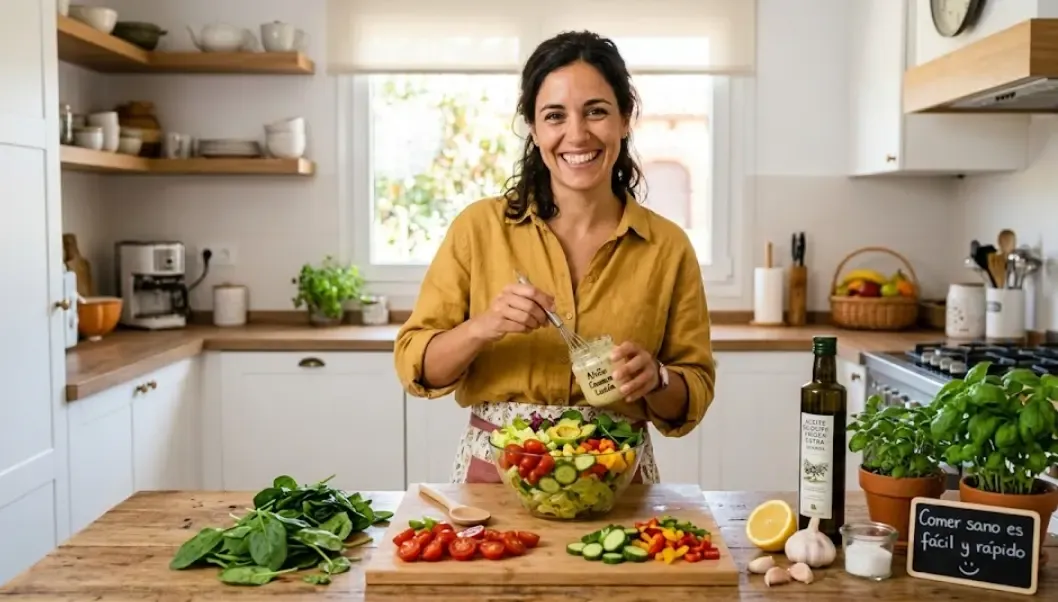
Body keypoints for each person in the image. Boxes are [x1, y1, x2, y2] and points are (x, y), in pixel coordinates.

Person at [393, 30, 716, 484]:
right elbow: (416, 365)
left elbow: (693, 393)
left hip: (617, 481)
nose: (577, 134)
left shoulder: (668, 247)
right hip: (497, 480)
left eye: (597, 112)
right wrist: (483, 326)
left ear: (625, 118)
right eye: (554, 115)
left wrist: (658, 380)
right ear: (533, 127)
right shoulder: (479, 228)